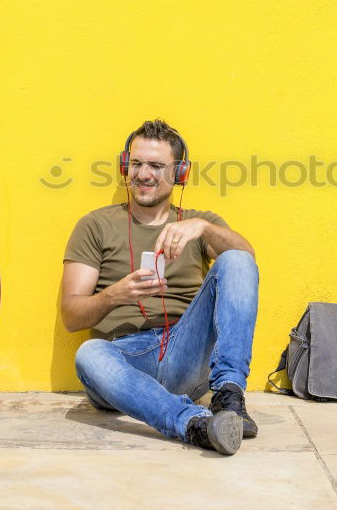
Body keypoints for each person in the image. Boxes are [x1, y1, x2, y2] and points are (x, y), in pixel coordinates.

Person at [60, 119, 260, 455]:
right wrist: (114, 295)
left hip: (186, 351)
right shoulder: (94, 225)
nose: (143, 174)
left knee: (237, 259)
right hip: (124, 360)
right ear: (125, 166)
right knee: (88, 354)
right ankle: (194, 424)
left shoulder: (198, 223)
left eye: (156, 165)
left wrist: (203, 228)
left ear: (180, 173)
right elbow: (71, 316)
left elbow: (246, 262)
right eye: (136, 164)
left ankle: (229, 399)